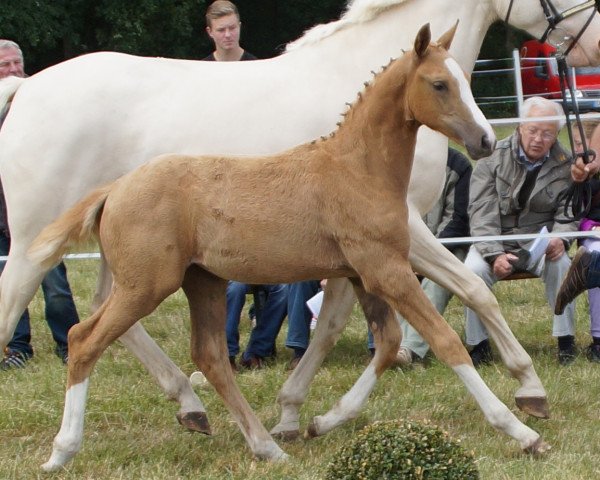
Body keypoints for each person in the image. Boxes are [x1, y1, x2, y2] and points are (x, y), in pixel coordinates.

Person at [464, 96, 578, 366]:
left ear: (555, 135)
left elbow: (569, 211)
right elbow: (481, 212)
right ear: (519, 128)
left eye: (547, 133)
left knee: (562, 264)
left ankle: (566, 342)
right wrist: (494, 255)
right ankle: (478, 346)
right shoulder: (491, 157)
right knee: (472, 270)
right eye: (533, 130)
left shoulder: (565, 164)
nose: (538, 139)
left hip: (538, 242)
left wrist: (561, 237)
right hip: (496, 238)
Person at [0, 39, 80, 369]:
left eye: (16, 63)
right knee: (9, 288)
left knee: (56, 286)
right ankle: (18, 350)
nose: (13, 70)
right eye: (5, 66)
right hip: (2, 214)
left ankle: (70, 344)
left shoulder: (43, 106)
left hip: (39, 215)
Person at [394, 148, 472, 366]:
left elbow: (457, 219)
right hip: (405, 248)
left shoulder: (459, 165)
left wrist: (426, 256)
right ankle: (395, 345)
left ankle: (410, 349)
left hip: (447, 247)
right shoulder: (394, 160)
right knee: (393, 277)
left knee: (436, 282)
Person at [553, 120, 600, 363]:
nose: (576, 149)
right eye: (575, 143)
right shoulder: (584, 174)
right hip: (594, 234)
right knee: (597, 256)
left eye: (581, 143)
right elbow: (577, 214)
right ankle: (599, 340)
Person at [226, 282, 288, 370]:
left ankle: (256, 351)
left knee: (284, 290)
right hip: (237, 274)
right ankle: (227, 355)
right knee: (235, 289)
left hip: (265, 273)